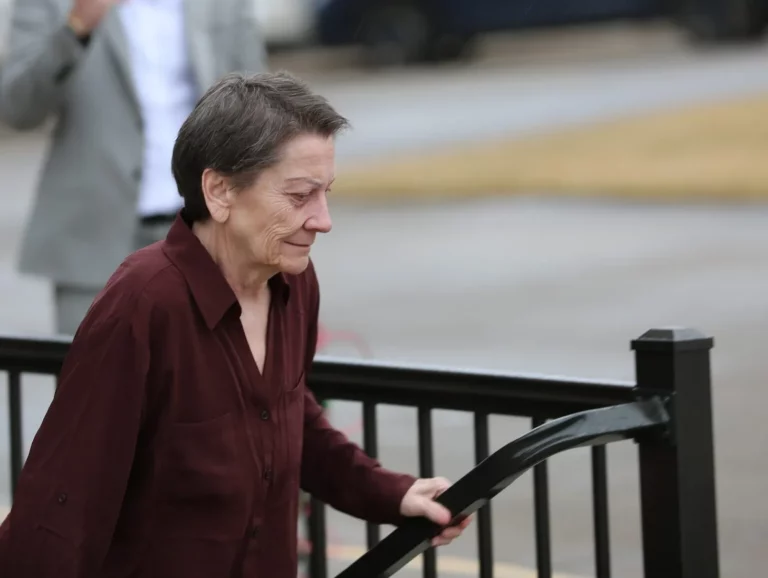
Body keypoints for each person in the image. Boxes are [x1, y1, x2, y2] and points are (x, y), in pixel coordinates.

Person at [0, 71, 471, 577]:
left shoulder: (295, 281)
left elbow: (288, 418)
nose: (323, 219)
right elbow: (65, 502)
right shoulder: (141, 303)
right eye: (299, 196)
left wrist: (391, 492)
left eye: (325, 192)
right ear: (219, 190)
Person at [0, 0, 268, 335]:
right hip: (93, 239)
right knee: (95, 383)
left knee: (204, 383)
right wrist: (76, 28)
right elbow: (18, 108)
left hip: (207, 231)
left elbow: (258, 107)